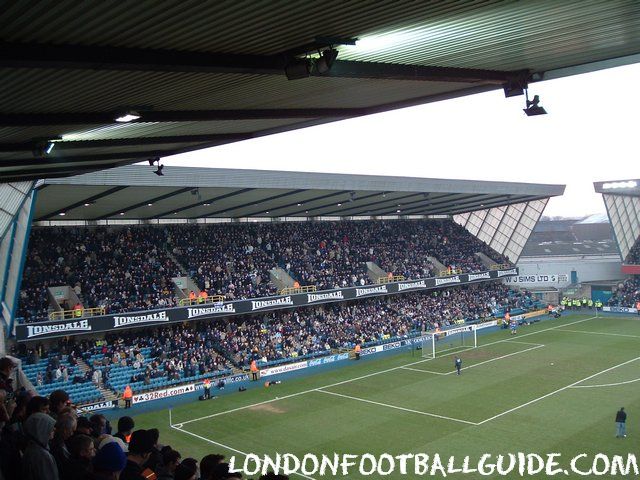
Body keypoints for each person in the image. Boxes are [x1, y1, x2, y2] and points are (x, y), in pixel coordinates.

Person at [22, 412, 59, 480]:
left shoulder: (32, 448)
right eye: (49, 426)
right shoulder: (42, 456)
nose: (54, 429)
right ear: (41, 428)